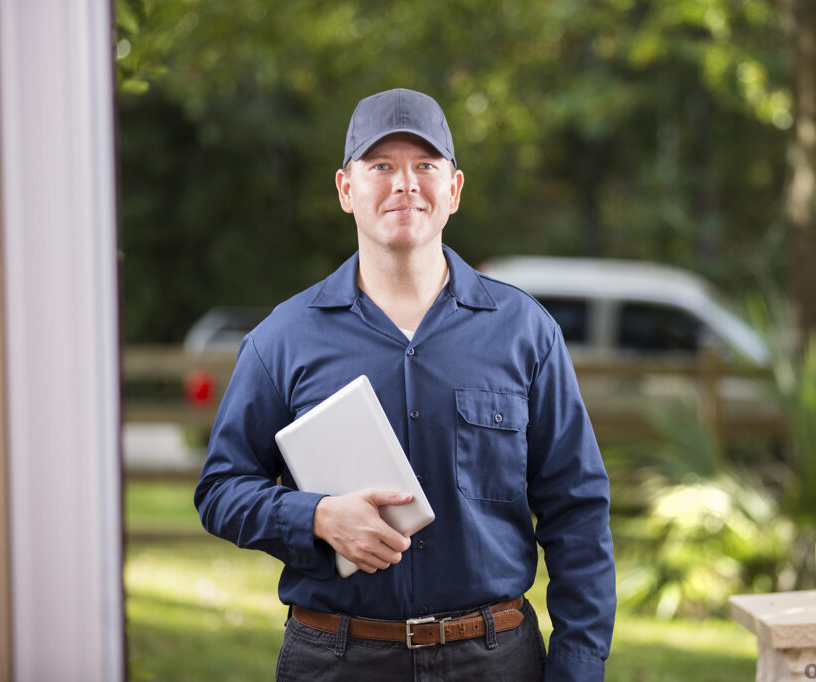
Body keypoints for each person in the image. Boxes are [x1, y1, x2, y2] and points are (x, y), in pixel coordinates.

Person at [195, 88, 615, 681]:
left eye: (424, 165)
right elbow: (220, 490)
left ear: (454, 189)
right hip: (337, 662)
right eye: (381, 166)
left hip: (494, 662)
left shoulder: (526, 333)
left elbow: (578, 513)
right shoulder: (282, 339)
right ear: (346, 189)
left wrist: (577, 669)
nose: (405, 183)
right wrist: (314, 517)